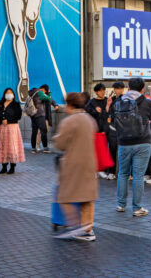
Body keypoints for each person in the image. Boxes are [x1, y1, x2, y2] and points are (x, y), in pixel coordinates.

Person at [52, 92, 99, 241]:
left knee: (64, 196)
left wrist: (56, 138)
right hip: (90, 162)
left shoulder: (69, 121)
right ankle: (88, 229)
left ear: (70, 104)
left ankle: (75, 225)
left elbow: (60, 144)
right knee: (87, 197)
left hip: (73, 164)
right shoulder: (89, 119)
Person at [114, 77, 151, 217]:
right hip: (143, 142)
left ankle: (121, 205)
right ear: (142, 89)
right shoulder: (147, 102)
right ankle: (137, 208)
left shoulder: (119, 101)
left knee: (123, 174)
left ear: (128, 87)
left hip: (124, 142)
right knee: (138, 176)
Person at [86, 83, 116, 180]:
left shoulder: (108, 101)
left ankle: (105, 170)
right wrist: (95, 111)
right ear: (96, 92)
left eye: (104, 90)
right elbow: (88, 112)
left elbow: (109, 114)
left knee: (106, 151)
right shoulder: (91, 102)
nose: (103, 92)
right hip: (95, 130)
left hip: (107, 130)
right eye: (101, 90)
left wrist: (107, 106)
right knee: (95, 151)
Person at [30, 85, 54, 154]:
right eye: (45, 91)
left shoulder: (32, 92)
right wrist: (49, 93)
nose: (45, 92)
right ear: (43, 89)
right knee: (44, 131)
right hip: (40, 114)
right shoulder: (40, 92)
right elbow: (49, 99)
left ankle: (33, 149)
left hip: (33, 114)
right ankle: (46, 148)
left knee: (34, 132)